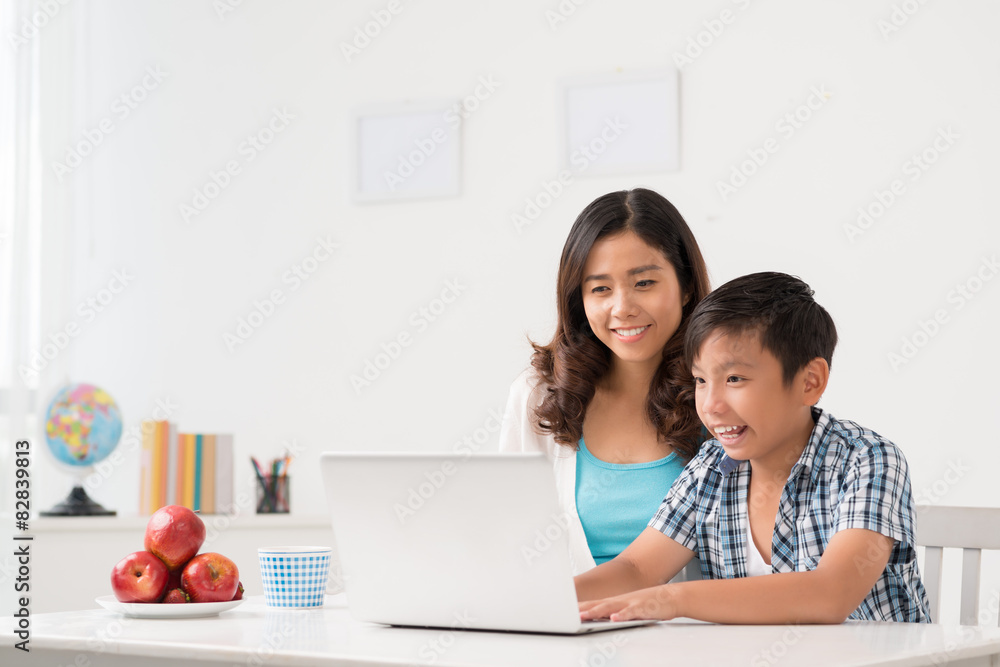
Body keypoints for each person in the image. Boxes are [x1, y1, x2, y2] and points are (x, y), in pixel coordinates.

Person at [576, 271, 931, 623]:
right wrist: (538, 601)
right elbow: (636, 568)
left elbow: (830, 594)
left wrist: (673, 598)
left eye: (734, 379)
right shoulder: (710, 469)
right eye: (701, 380)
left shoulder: (868, 460)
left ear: (810, 382)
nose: (711, 405)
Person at [499, 188, 710, 574]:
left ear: (686, 288)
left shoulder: (720, 393)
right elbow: (509, 541)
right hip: (570, 625)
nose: (623, 308)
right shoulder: (538, 395)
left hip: (689, 628)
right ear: (579, 299)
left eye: (644, 283)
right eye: (600, 289)